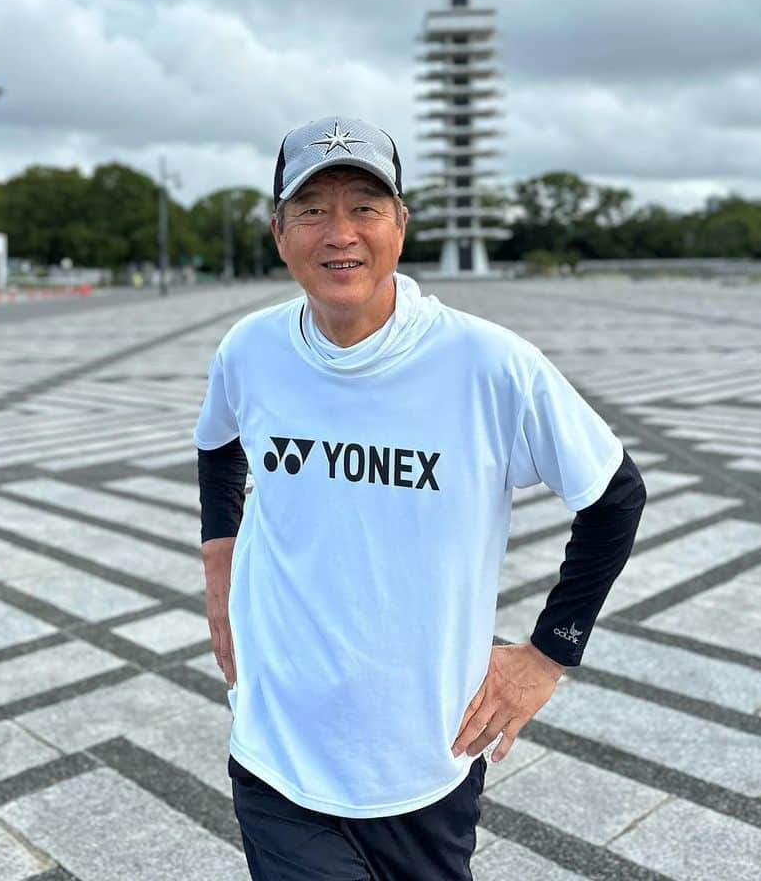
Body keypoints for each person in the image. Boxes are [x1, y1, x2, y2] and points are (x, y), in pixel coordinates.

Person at [195, 115, 646, 880]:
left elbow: (615, 495)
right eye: (312, 209)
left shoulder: (489, 365)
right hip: (277, 747)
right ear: (279, 232)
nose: (340, 233)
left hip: (426, 756)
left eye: (365, 207)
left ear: (401, 226)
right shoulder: (251, 349)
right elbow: (218, 443)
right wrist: (220, 563)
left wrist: (546, 655)